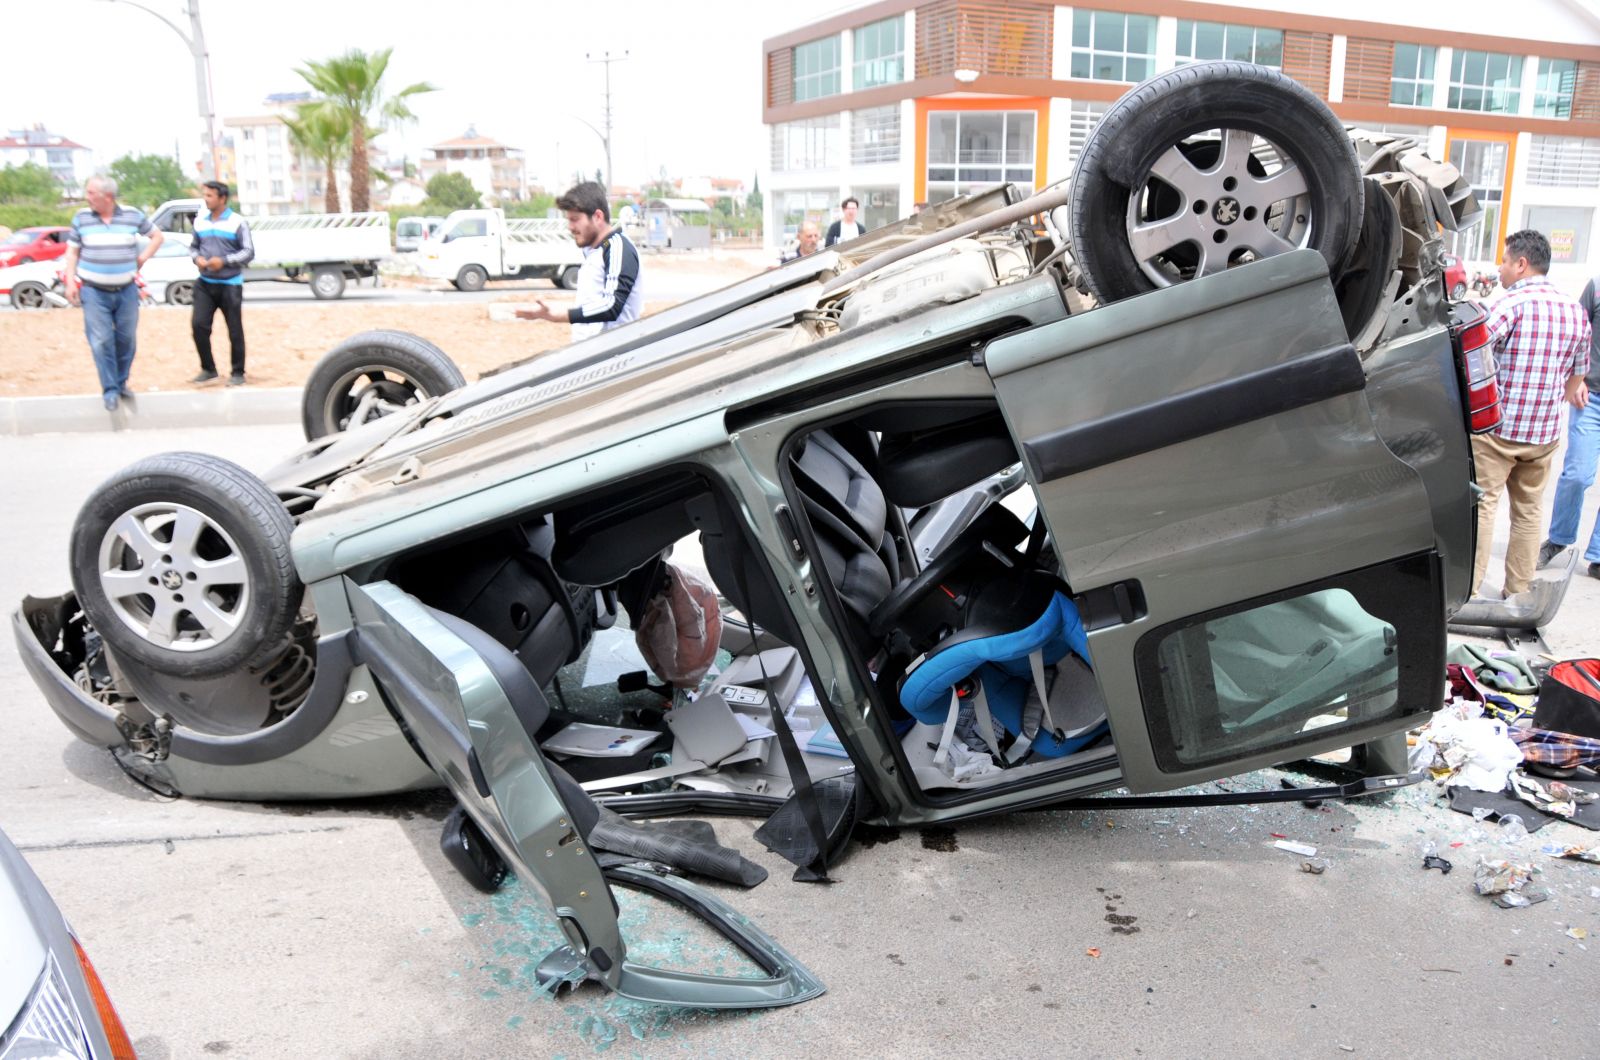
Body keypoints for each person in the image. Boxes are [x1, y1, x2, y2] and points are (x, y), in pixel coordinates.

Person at [1471, 230, 1592, 598]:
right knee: (1528, 512)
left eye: (1505, 261)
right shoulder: (1575, 310)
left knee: (1484, 506)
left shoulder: (1512, 303)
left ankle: (1471, 592)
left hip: (1499, 431)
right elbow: (1578, 377)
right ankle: (1518, 592)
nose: (1501, 268)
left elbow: (1474, 350)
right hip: (1543, 436)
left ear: (1521, 264)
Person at [62, 176, 163, 412]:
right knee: (101, 341)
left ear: (107, 196)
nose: (87, 198)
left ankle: (121, 382)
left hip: (126, 289)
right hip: (94, 291)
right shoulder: (82, 218)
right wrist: (70, 283)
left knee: (126, 339)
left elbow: (157, 236)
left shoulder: (132, 215)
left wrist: (142, 259)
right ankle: (110, 389)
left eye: (90, 193)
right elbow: (72, 253)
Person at [515, 181, 642, 340]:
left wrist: (560, 314)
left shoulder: (618, 247)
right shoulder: (594, 251)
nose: (570, 227)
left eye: (575, 219)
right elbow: (592, 303)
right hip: (591, 353)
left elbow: (612, 306)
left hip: (613, 356)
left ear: (597, 217)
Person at [1540, 271, 1600, 580]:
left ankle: (1599, 555)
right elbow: (1579, 332)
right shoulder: (1597, 287)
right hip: (1591, 396)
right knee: (1578, 473)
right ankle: (1559, 538)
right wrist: (1574, 379)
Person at [188, 180, 255, 386]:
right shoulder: (200, 221)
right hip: (205, 283)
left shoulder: (237, 222)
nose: (205, 199)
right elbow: (193, 247)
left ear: (222, 198)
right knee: (198, 325)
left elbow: (248, 252)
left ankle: (237, 372)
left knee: (234, 329)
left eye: (209, 195)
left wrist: (224, 261)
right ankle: (208, 369)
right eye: (204, 195)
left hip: (230, 284)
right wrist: (196, 258)